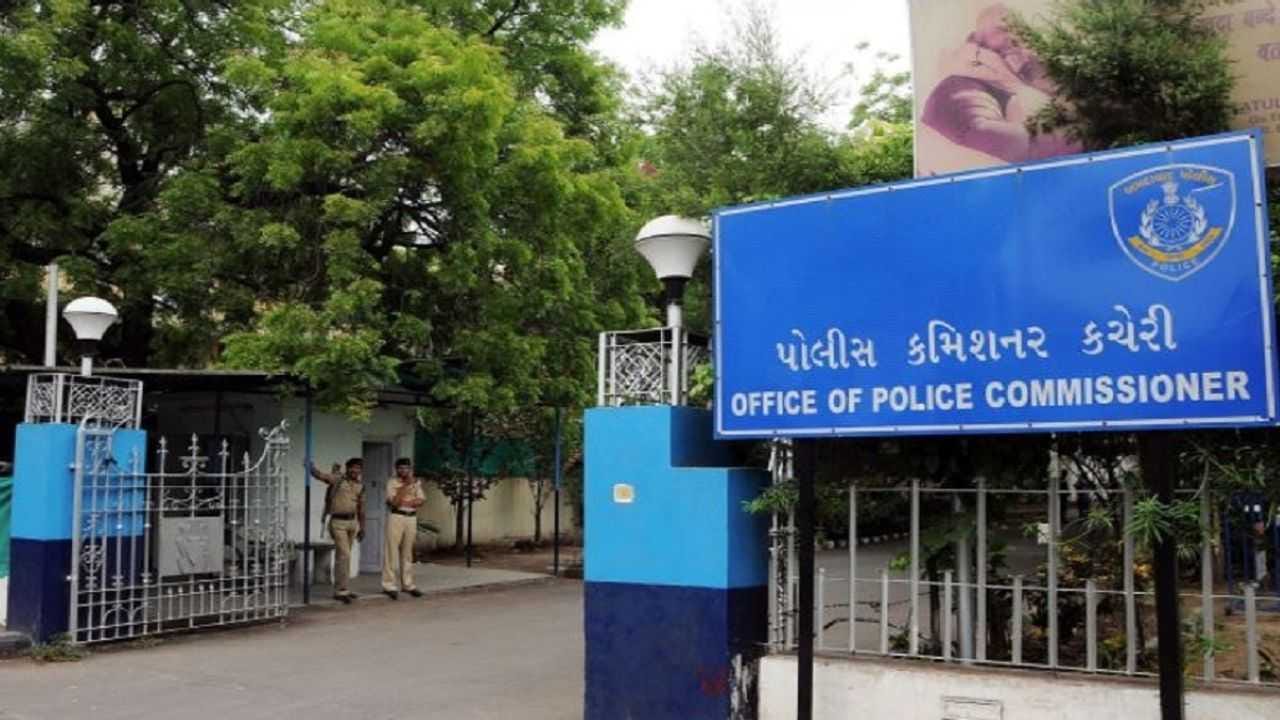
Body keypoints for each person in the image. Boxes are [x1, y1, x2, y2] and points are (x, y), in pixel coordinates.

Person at [309, 458, 366, 604]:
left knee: (344, 557)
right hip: (338, 522)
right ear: (347, 468)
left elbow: (361, 508)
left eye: (358, 468)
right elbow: (321, 476)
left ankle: (343, 588)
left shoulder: (360, 485)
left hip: (352, 523)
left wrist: (362, 527)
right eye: (353, 467)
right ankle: (340, 591)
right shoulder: (337, 479)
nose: (355, 470)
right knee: (344, 555)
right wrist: (311, 468)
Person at [383, 457, 426, 599]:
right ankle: (389, 585)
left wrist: (408, 502)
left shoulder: (416, 482)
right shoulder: (391, 482)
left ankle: (408, 584)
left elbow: (421, 500)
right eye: (400, 468)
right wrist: (405, 486)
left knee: (407, 552)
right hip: (396, 517)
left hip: (411, 517)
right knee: (391, 551)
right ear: (396, 469)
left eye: (406, 468)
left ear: (410, 469)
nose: (403, 470)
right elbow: (395, 503)